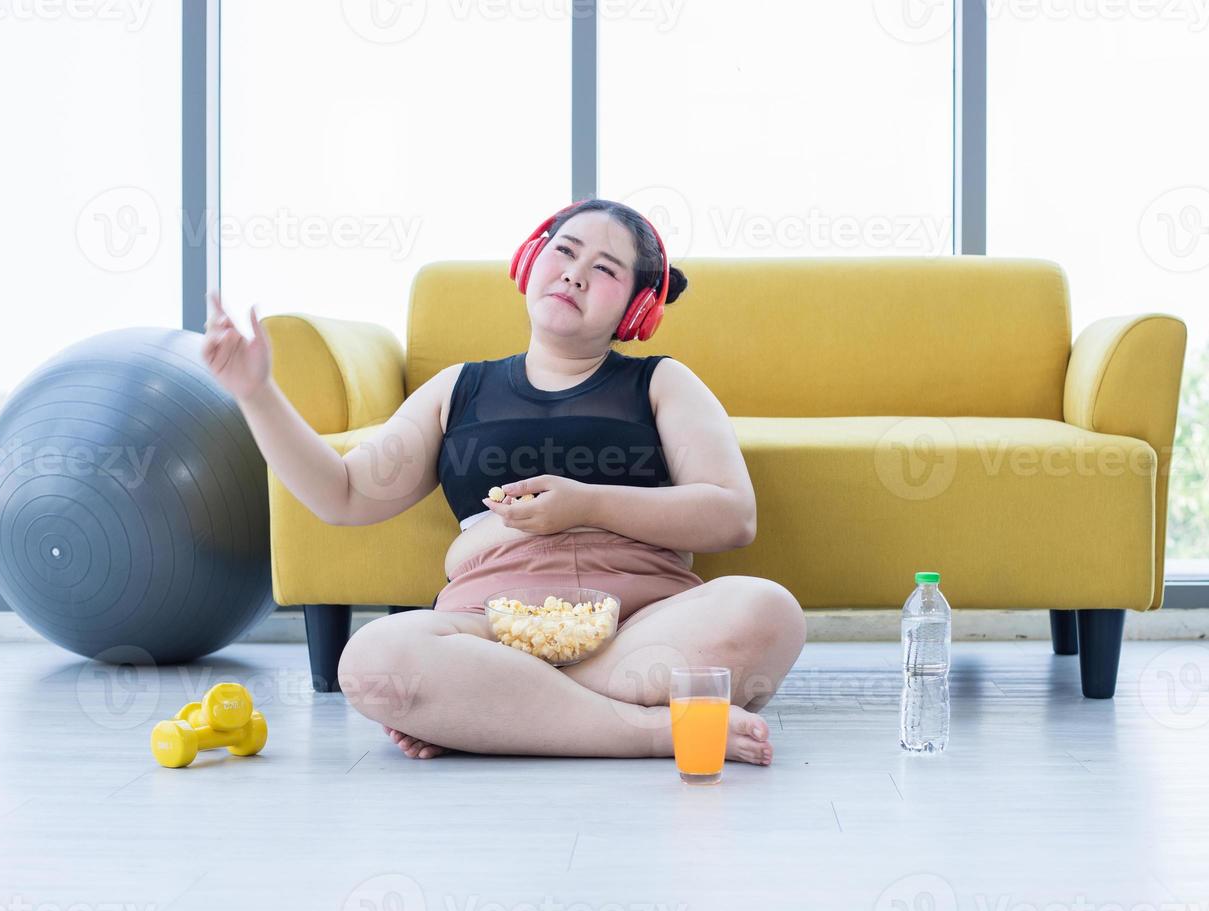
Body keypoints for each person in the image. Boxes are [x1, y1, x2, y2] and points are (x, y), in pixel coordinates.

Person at [201, 198, 806, 765]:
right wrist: (256, 393)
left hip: (638, 623)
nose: (574, 274)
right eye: (564, 252)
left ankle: (501, 713)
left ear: (637, 310)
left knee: (767, 610)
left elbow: (732, 515)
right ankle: (649, 730)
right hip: (489, 629)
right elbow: (344, 494)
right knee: (372, 659)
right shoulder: (456, 387)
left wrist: (586, 505)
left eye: (605, 269)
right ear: (529, 262)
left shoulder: (663, 382)